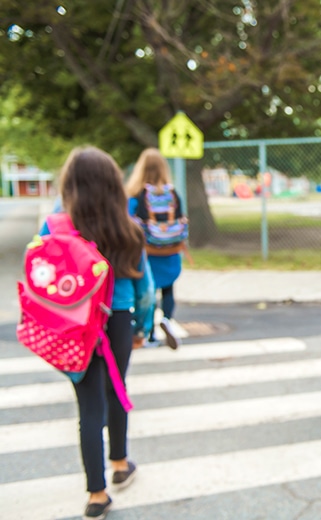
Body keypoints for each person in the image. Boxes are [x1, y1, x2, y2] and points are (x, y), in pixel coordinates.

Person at [42, 146, 155, 520]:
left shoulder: (54, 226)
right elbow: (146, 291)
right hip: (117, 319)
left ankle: (97, 493)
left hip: (72, 326)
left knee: (88, 405)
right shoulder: (129, 228)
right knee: (117, 388)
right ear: (113, 184)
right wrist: (142, 327)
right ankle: (120, 461)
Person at [125, 147, 185, 350]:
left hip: (147, 252)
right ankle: (167, 319)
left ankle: (149, 334)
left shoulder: (135, 196)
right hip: (171, 250)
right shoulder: (172, 194)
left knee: (147, 292)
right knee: (167, 289)